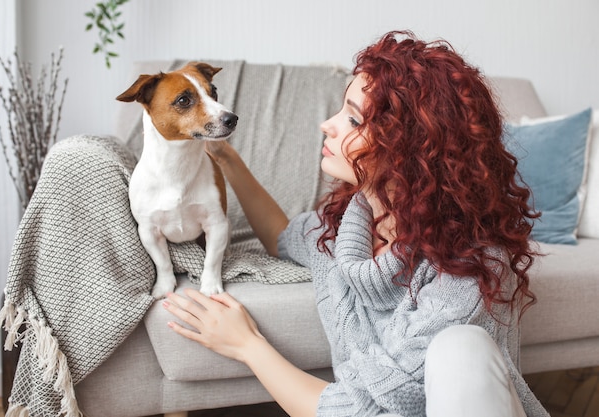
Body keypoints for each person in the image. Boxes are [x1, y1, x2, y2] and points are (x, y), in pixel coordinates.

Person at [162, 31, 550, 417]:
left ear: (409, 150)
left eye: (352, 118)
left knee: (460, 347)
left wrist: (246, 345)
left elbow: (355, 411)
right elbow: (282, 237)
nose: (327, 125)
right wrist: (226, 158)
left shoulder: (470, 269)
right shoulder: (343, 229)